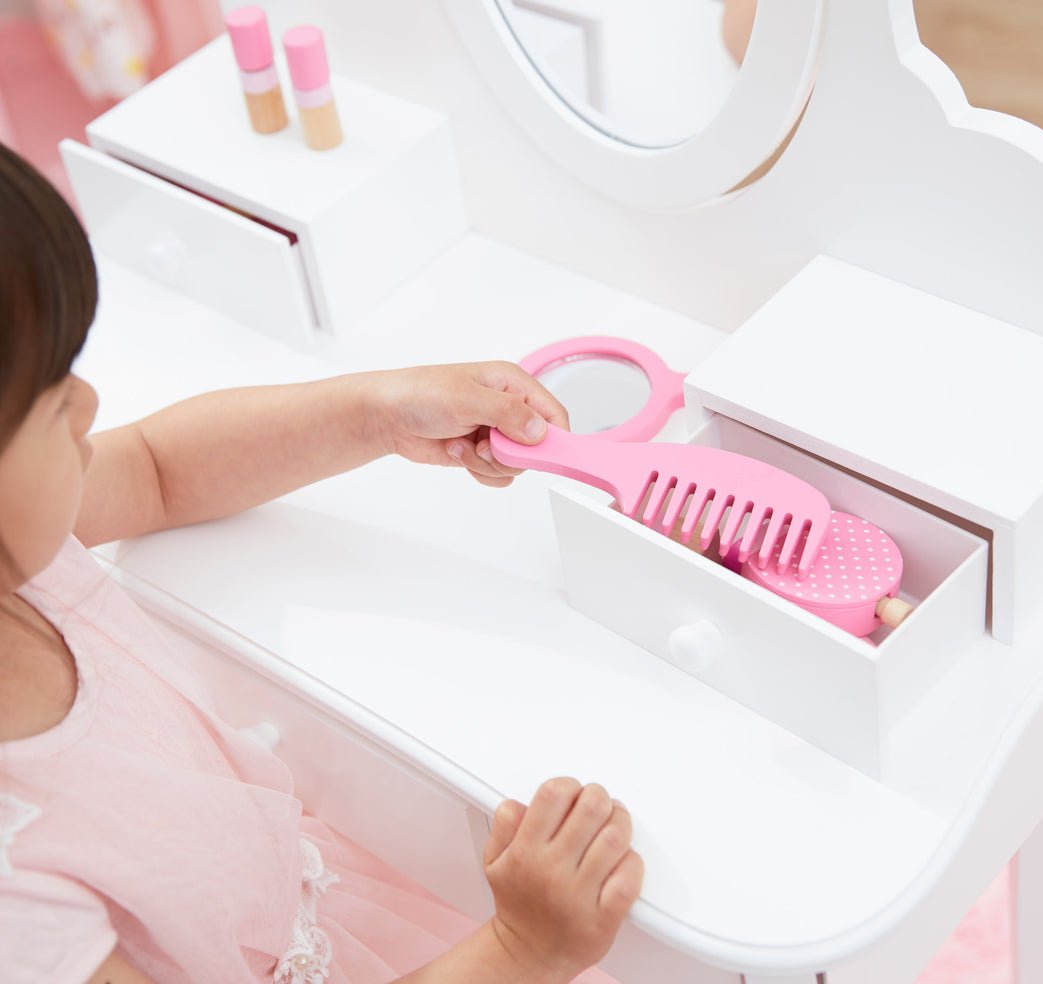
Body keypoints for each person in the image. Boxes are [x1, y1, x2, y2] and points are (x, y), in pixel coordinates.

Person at [0, 140, 644, 984]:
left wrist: (379, 412)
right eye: (50, 398)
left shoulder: (26, 553)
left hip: (326, 905)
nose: (88, 401)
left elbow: (159, 468)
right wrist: (522, 951)